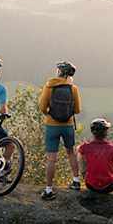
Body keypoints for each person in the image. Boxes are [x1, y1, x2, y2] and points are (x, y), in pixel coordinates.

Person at [37, 60, 82, 199]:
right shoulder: (73, 88)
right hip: (68, 126)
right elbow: (78, 110)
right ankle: (76, 181)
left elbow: (42, 107)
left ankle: (49, 189)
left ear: (59, 72)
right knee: (71, 152)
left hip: (52, 125)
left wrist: (51, 114)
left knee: (52, 158)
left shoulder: (49, 86)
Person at [77, 117, 113, 194]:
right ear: (106, 132)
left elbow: (78, 149)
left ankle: (85, 175)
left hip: (90, 186)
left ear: (92, 132)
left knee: (80, 154)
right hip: (109, 186)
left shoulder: (86, 146)